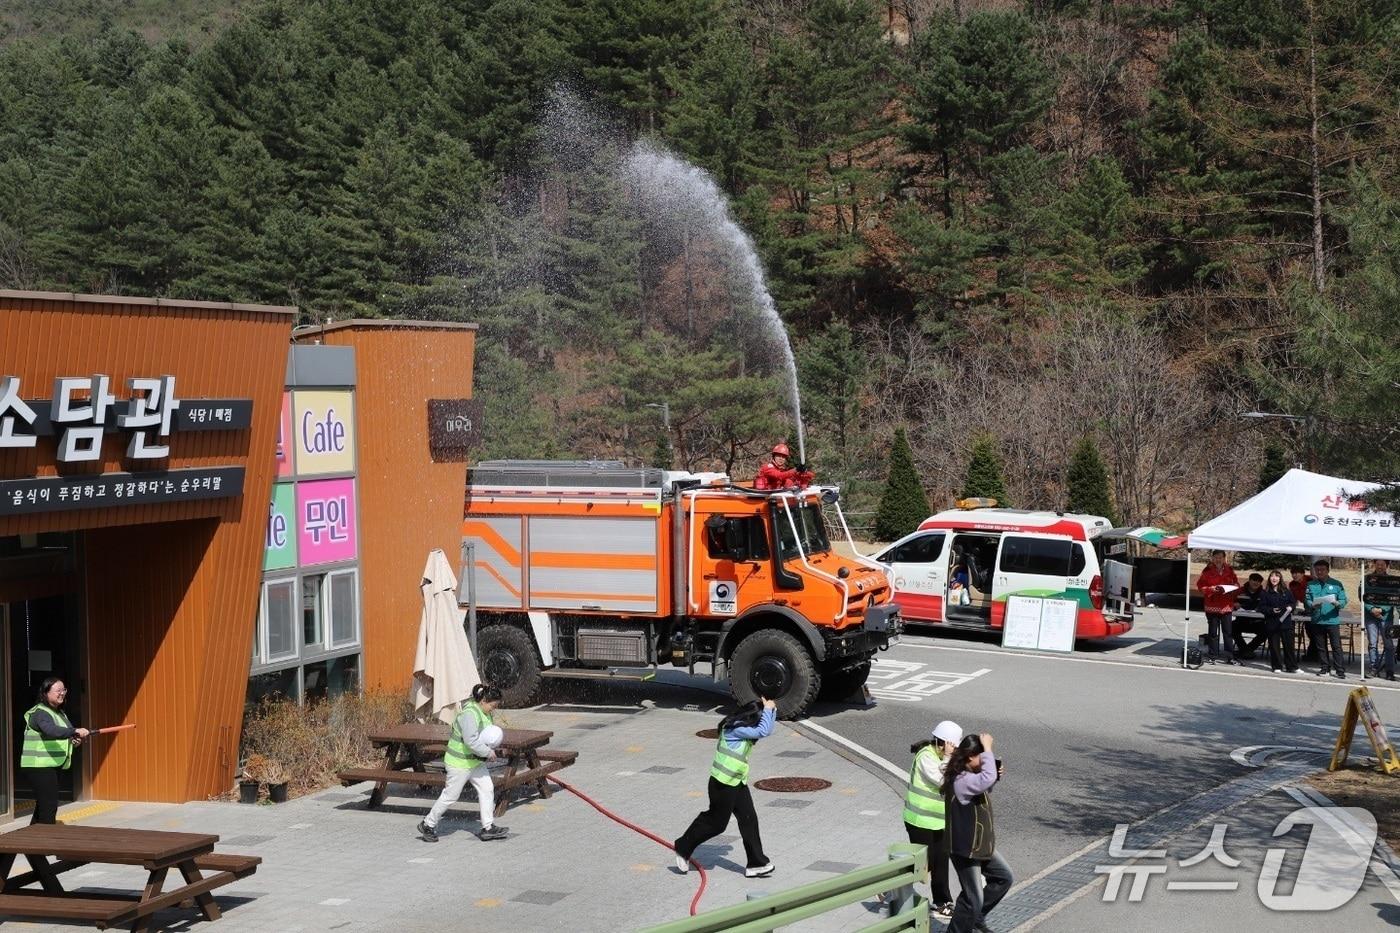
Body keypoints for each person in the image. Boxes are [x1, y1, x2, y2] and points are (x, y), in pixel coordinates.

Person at [674, 698, 776, 878]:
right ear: (751, 719)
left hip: (736, 782)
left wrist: (772, 708)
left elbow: (766, 729)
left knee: (749, 819)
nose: (760, 725)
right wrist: (768, 709)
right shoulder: (734, 729)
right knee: (716, 824)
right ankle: (683, 846)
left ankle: (756, 863)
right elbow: (764, 730)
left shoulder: (742, 727)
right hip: (722, 785)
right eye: (759, 720)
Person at [418, 684, 508, 842]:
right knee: (450, 796)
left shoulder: (484, 712)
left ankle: (488, 828)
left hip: (474, 762)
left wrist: (494, 747)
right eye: (493, 706)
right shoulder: (469, 714)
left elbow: (485, 735)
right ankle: (428, 824)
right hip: (459, 763)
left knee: (487, 789)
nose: (493, 709)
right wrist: (488, 753)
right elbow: (471, 741)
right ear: (483, 701)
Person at [942, 732, 1012, 933]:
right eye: (982, 756)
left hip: (979, 845)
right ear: (970, 757)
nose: (985, 760)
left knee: (1003, 877)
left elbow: (985, 783)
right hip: (965, 849)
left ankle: (975, 918)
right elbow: (985, 779)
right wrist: (988, 748)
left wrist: (993, 774)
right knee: (973, 897)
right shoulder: (961, 779)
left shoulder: (969, 775)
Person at [902, 720, 963, 920]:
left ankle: (942, 902)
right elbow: (941, 780)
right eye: (953, 746)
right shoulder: (925, 756)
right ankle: (891, 886)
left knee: (940, 862)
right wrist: (948, 758)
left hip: (938, 821)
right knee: (923, 863)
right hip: (919, 821)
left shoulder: (943, 756)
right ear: (943, 743)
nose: (955, 750)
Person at [22, 677, 89, 824]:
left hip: (51, 765)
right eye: (58, 690)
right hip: (38, 766)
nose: (62, 693)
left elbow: (62, 735)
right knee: (49, 807)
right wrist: (75, 731)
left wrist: (73, 741)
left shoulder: (60, 713)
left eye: (64, 690)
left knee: (43, 806)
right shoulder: (40, 712)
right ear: (45, 693)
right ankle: (46, 837)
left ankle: (32, 836)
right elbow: (51, 731)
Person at [1306, 560, 1349, 679]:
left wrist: (1338, 603)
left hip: (1332, 620)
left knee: (1336, 646)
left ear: (1328, 570)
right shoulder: (1311, 584)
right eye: (1317, 570)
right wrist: (1312, 605)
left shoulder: (1336, 584)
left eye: (1322, 570)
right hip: (1317, 620)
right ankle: (1325, 668)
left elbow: (1343, 600)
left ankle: (1339, 670)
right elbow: (1308, 599)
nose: (1319, 572)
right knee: (1321, 647)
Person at [1196, 550, 1240, 665]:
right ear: (1212, 558)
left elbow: (1236, 584)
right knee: (1213, 633)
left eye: (1220, 557)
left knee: (1228, 632)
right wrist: (1210, 589)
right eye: (1215, 557)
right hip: (1212, 605)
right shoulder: (1207, 570)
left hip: (1226, 605)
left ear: (1224, 558)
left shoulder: (1230, 570)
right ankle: (1213, 655)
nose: (1218, 560)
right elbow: (1200, 586)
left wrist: (1233, 588)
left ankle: (1230, 656)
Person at [1362, 560, 1396, 681]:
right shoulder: (1366, 579)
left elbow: (1394, 597)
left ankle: (1390, 671)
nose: (1380, 566)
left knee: (1389, 645)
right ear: (1374, 565)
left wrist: (1382, 609)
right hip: (1370, 616)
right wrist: (1372, 609)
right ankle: (1374, 668)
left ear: (1387, 566)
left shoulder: (1392, 581)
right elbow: (1362, 596)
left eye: (1382, 564)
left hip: (1386, 618)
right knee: (1372, 644)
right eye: (1378, 564)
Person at [1260, 570, 1299, 673]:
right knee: (1274, 646)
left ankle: (1292, 667)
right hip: (1272, 623)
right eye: (1272, 576)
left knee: (1289, 646)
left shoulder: (1286, 591)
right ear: (1269, 578)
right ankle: (1277, 666)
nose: (1274, 578)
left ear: (1280, 578)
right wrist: (1271, 610)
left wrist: (1291, 607)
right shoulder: (1265, 592)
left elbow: (1293, 603)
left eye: (1277, 576)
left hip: (1286, 622)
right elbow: (1262, 607)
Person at [1231, 573, 1269, 660]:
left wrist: (1261, 608)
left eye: (1258, 581)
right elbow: (1229, 600)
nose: (1256, 583)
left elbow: (1268, 606)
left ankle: (1247, 650)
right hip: (1241, 621)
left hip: (1257, 622)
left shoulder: (1263, 594)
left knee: (1267, 630)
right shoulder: (1240, 591)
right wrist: (1234, 604)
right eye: (1254, 580)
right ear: (1249, 580)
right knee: (1231, 626)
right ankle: (1245, 650)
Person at [1290, 566, 1318, 661]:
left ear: (1302, 573)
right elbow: (1293, 598)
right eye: (1292, 573)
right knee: (1309, 632)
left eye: (1296, 573)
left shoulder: (1311, 580)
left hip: (1314, 609)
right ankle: (1311, 655)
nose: (1294, 575)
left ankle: (1313, 655)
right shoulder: (1292, 584)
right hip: (1302, 610)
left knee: (1314, 633)